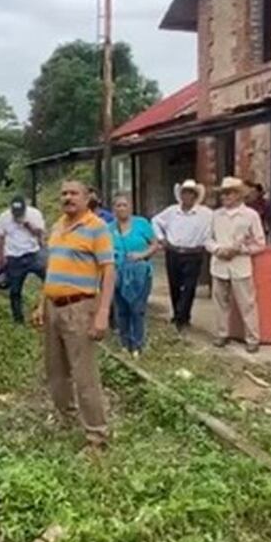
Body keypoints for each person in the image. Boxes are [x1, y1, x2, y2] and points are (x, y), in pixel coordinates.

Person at [32, 180, 115, 449]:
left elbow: (108, 271)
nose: (67, 198)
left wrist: (102, 313)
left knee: (84, 375)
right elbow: (53, 269)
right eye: (64, 193)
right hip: (53, 306)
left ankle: (97, 435)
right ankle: (66, 417)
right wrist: (40, 303)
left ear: (87, 197)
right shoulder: (57, 226)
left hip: (80, 308)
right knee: (56, 371)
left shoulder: (96, 227)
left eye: (73, 193)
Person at [207, 177, 267, 353]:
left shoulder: (250, 215)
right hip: (219, 263)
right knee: (220, 302)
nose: (225, 197)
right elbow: (208, 239)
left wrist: (240, 250)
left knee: (247, 303)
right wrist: (217, 249)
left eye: (229, 193)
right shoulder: (216, 215)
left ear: (238, 195)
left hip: (240, 264)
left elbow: (260, 243)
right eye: (223, 193)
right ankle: (221, 334)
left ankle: (253, 338)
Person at [152, 180, 212, 332]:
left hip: (194, 253)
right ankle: (178, 315)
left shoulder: (206, 214)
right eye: (184, 193)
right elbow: (155, 221)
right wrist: (161, 239)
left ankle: (182, 317)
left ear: (195, 196)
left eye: (190, 193)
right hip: (173, 251)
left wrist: (206, 242)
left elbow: (212, 229)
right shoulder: (172, 211)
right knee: (174, 285)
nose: (187, 196)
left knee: (189, 286)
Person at [109, 194, 160, 357]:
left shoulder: (141, 224)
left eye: (125, 205)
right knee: (121, 309)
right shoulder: (108, 228)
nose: (121, 208)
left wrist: (142, 254)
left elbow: (155, 245)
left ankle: (137, 344)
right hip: (117, 273)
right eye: (118, 205)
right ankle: (124, 342)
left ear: (130, 207)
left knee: (137, 309)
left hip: (140, 273)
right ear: (113, 209)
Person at [0, 195, 47, 324]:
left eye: (20, 212)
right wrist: (1, 259)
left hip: (33, 253)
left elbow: (40, 234)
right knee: (15, 290)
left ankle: (45, 310)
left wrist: (26, 224)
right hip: (14, 257)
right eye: (14, 213)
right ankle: (18, 320)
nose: (16, 215)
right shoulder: (4, 217)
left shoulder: (34, 214)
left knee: (50, 280)